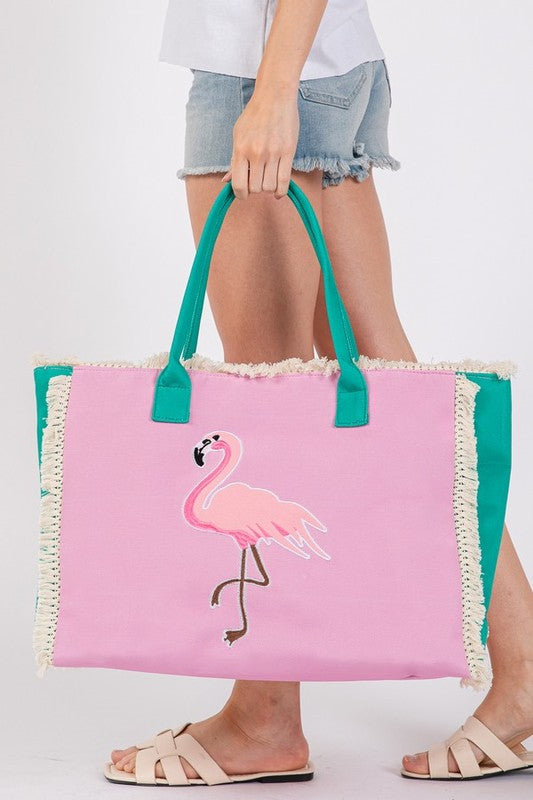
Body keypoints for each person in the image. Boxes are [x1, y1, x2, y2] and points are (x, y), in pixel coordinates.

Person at [108, 0, 533, 784]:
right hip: (323, 64)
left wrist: (272, 91)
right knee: (390, 389)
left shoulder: (263, 80)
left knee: (265, 403)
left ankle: (262, 720)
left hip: (263, 71)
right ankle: (527, 668)